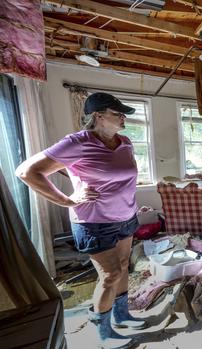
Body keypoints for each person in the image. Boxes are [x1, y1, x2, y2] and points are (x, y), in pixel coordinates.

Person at [16, 92, 146, 349]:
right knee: (110, 275)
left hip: (126, 216)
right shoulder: (77, 142)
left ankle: (121, 315)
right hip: (94, 222)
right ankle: (103, 331)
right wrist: (68, 199)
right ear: (98, 116)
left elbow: (117, 173)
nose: (123, 118)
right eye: (117, 113)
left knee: (123, 266)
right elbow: (27, 172)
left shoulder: (126, 142)